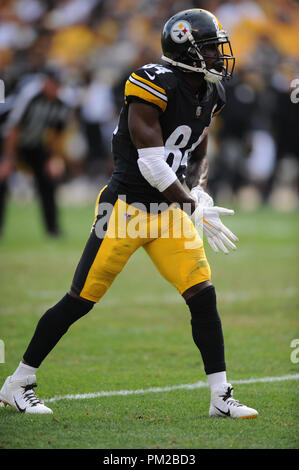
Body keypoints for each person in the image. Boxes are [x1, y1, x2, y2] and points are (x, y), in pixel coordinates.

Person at [0, 9, 258, 419]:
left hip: (169, 211)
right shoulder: (152, 82)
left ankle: (219, 395)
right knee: (79, 301)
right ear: (183, 50)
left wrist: (200, 189)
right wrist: (191, 203)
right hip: (125, 208)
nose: (216, 57)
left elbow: (200, 139)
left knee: (202, 295)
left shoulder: (211, 93)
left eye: (215, 49)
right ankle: (18, 381)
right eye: (208, 49)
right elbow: (152, 166)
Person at [0, 66, 70, 237]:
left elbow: (56, 133)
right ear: (45, 82)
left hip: (34, 144)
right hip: (7, 140)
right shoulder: (30, 95)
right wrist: (7, 160)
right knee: (2, 183)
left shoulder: (61, 103)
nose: (56, 88)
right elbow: (13, 128)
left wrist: (54, 158)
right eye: (53, 84)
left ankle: (52, 229)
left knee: (47, 181)